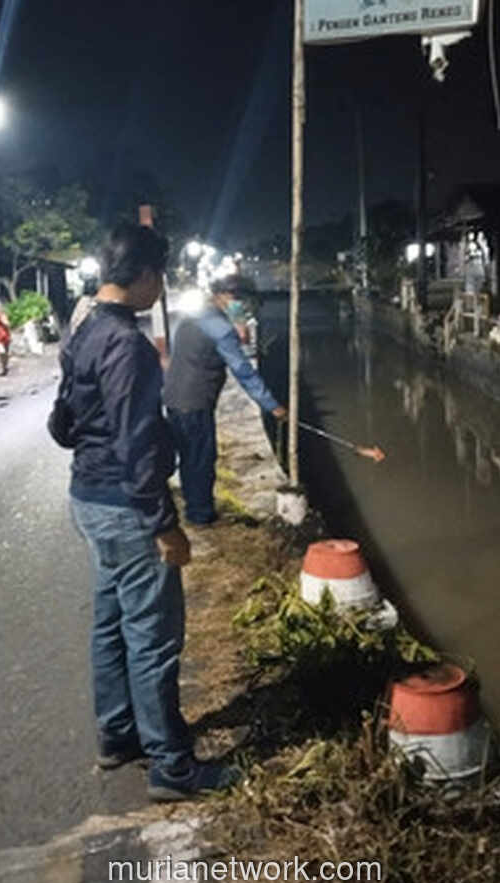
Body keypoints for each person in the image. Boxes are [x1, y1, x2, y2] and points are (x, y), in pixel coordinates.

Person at [59, 223, 237, 801]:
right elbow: (137, 445)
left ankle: (117, 736)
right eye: (158, 276)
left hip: (88, 497)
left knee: (110, 623)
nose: (161, 287)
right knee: (153, 637)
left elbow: (62, 426)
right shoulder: (127, 346)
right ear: (141, 276)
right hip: (127, 508)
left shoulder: (83, 331)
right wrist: (164, 523)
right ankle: (172, 766)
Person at [162, 274, 287, 526]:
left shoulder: (193, 318)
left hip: (174, 396)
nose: (245, 308)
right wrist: (272, 406)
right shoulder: (220, 328)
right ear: (227, 297)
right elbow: (243, 371)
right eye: (244, 302)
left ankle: (193, 505)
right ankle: (201, 515)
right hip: (195, 400)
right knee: (201, 458)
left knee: (189, 456)